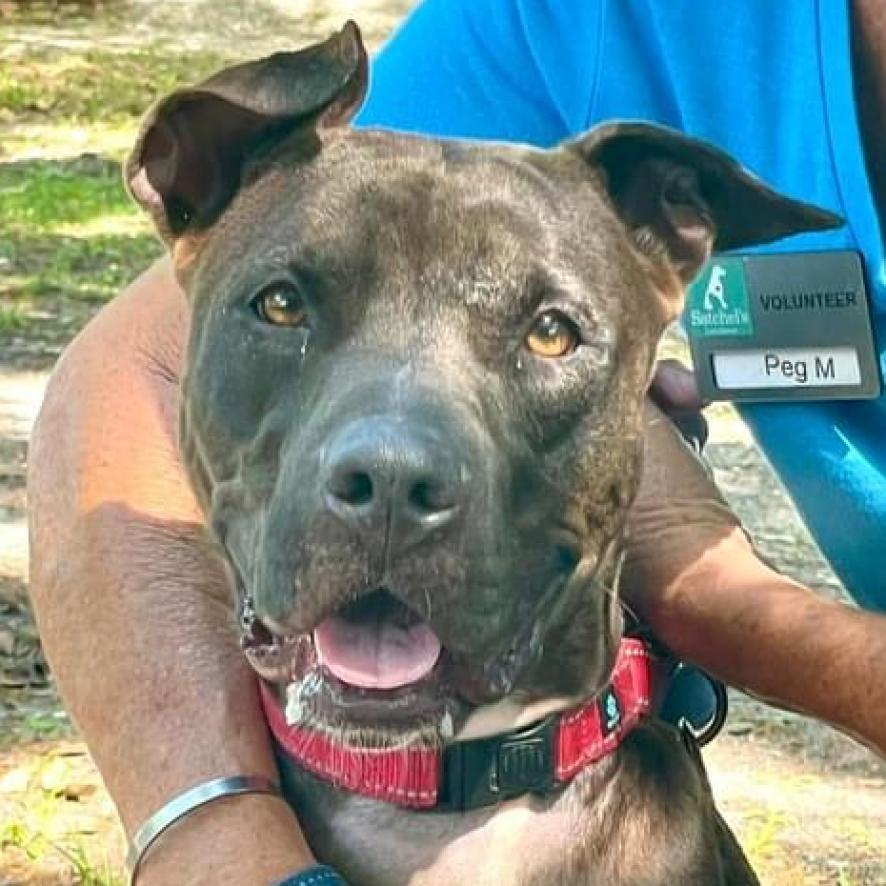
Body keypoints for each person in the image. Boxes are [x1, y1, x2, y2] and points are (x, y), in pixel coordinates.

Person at [27, 1, 886, 884]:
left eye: (550, 333)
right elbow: (127, 372)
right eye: (283, 306)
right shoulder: (595, 19)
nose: (393, 456)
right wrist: (215, 826)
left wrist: (723, 601)